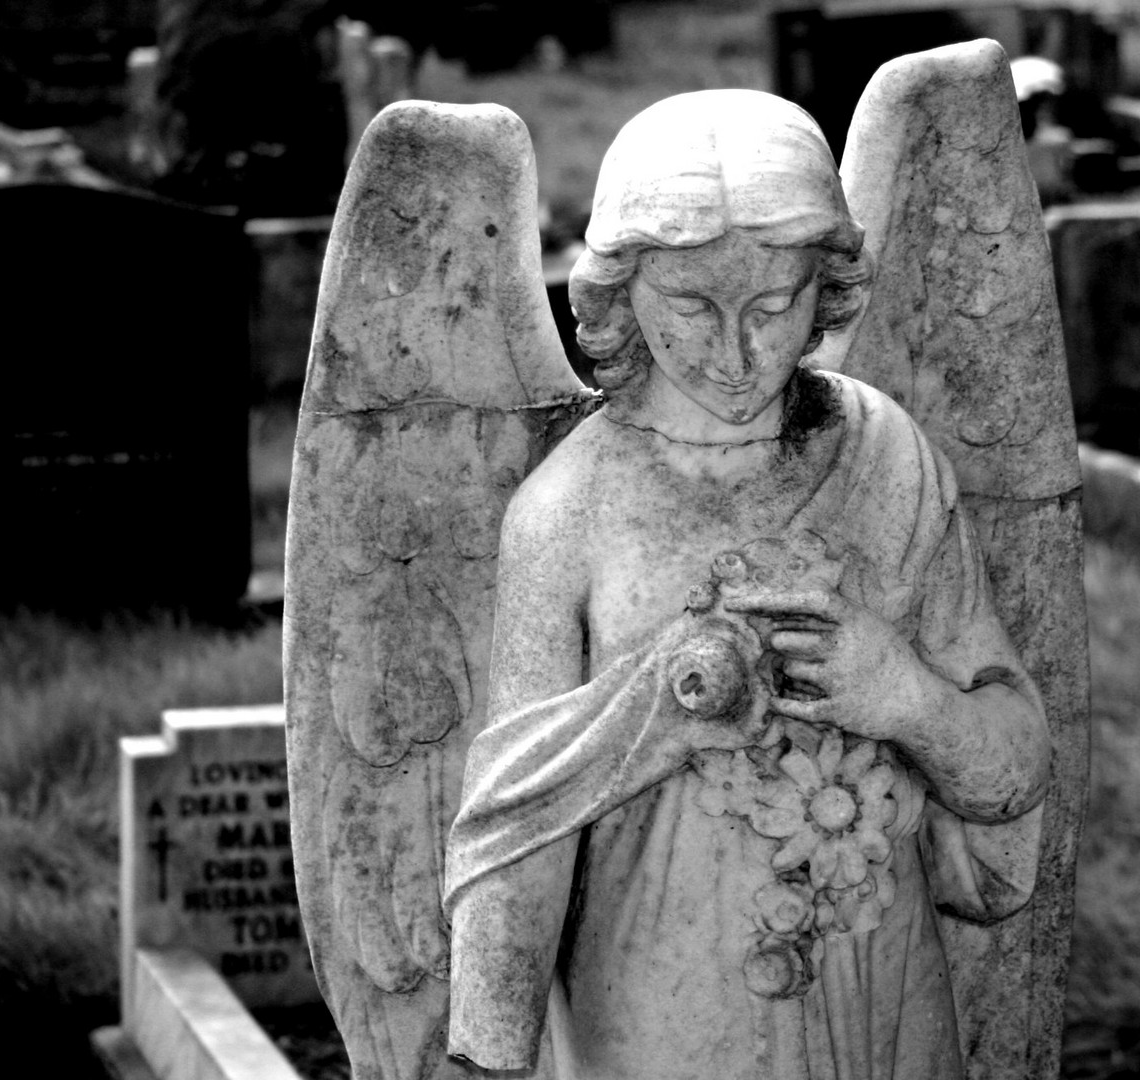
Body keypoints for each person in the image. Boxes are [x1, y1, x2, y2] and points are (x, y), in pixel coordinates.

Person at [443, 90, 1050, 1080]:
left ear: (828, 288)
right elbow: (521, 822)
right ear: (619, 294)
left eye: (775, 307)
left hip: (883, 992)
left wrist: (904, 695)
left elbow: (1018, 769)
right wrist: (490, 1058)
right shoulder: (572, 511)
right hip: (664, 1008)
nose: (736, 353)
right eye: (690, 307)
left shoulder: (890, 459)